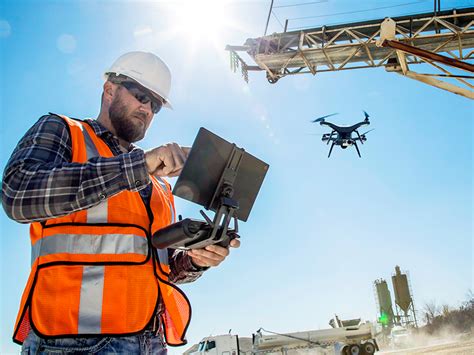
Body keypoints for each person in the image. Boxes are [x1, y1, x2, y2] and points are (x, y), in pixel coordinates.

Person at [1, 51, 240, 354]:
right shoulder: (64, 131)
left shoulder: (157, 183)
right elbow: (19, 193)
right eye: (141, 96)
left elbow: (158, 266)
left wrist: (194, 260)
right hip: (71, 342)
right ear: (109, 90)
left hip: (148, 341)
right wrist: (138, 166)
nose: (147, 109)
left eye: (155, 105)